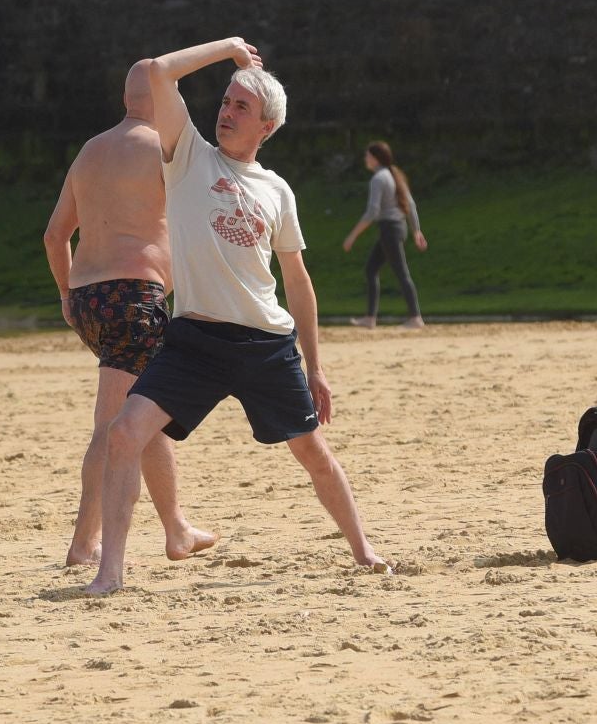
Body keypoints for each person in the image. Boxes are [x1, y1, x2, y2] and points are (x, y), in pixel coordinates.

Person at [84, 38, 385, 595]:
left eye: (241, 107)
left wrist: (315, 367)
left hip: (265, 345)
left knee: (314, 453)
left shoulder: (277, 191)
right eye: (225, 102)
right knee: (126, 432)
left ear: (266, 127)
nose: (226, 111)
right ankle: (110, 572)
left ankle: (364, 552)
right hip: (194, 339)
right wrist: (229, 51)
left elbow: (297, 282)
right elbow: (157, 71)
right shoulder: (188, 155)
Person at [42, 61, 216, 568]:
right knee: (112, 425)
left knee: (146, 417)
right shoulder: (161, 152)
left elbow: (55, 237)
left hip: (91, 300)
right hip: (134, 299)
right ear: (164, 101)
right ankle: (83, 542)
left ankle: (176, 527)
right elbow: (195, 228)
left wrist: (66, 295)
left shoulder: (91, 150)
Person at [341, 141, 427, 329]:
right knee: (371, 269)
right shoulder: (393, 175)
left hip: (390, 230)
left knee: (401, 273)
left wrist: (352, 235)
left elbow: (372, 211)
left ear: (374, 158)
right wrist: (416, 230)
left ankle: (415, 317)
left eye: (367, 155)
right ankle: (370, 318)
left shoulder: (379, 178)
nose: (365, 159)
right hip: (396, 229)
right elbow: (411, 205)